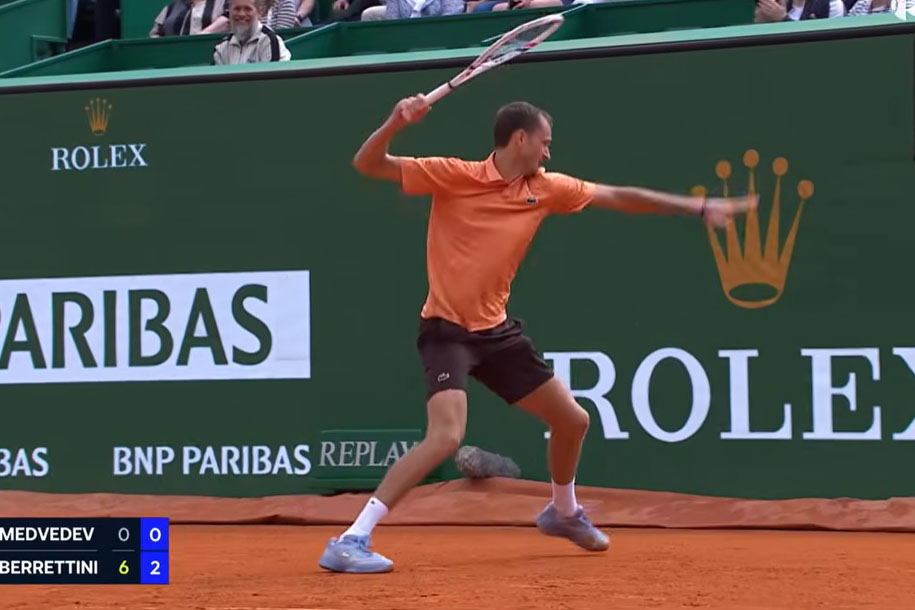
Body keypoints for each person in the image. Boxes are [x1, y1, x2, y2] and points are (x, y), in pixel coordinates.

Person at [318, 95, 755, 574]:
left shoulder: (546, 188)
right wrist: (395, 122)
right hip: (447, 331)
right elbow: (368, 164)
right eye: (544, 143)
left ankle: (562, 512)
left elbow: (621, 196)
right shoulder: (452, 174)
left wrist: (698, 207)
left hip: (497, 332)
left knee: (573, 421)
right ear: (520, 139)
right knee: (446, 437)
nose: (549, 153)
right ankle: (351, 538)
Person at [212, 0, 291, 65]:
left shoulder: (270, 42)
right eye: (237, 9)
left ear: (259, 13)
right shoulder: (221, 48)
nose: (241, 14)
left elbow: (274, 81)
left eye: (247, 9)